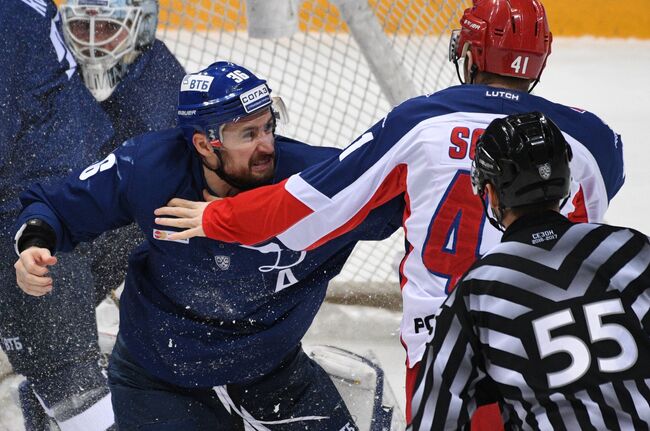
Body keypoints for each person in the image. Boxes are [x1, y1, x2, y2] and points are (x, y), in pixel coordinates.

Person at [152, 0, 626, 426]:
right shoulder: (594, 140)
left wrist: (222, 217)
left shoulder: (419, 122)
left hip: (444, 347)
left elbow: (312, 203)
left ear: (471, 51)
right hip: (560, 341)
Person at [13, 61, 403, 430]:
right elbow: (54, 205)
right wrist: (34, 244)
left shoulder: (315, 181)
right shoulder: (148, 167)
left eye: (268, 127)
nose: (267, 145)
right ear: (203, 144)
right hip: (160, 374)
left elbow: (410, 199)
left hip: (272, 369)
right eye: (248, 135)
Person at [0, 0, 185, 429]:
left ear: (139, 28)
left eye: (106, 30)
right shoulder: (39, 34)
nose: (92, 42)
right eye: (82, 28)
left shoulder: (159, 85)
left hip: (90, 220)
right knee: (56, 339)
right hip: (51, 221)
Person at [409, 111, 650, 430]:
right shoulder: (632, 250)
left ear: (492, 194)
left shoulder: (479, 290)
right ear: (565, 182)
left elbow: (435, 420)